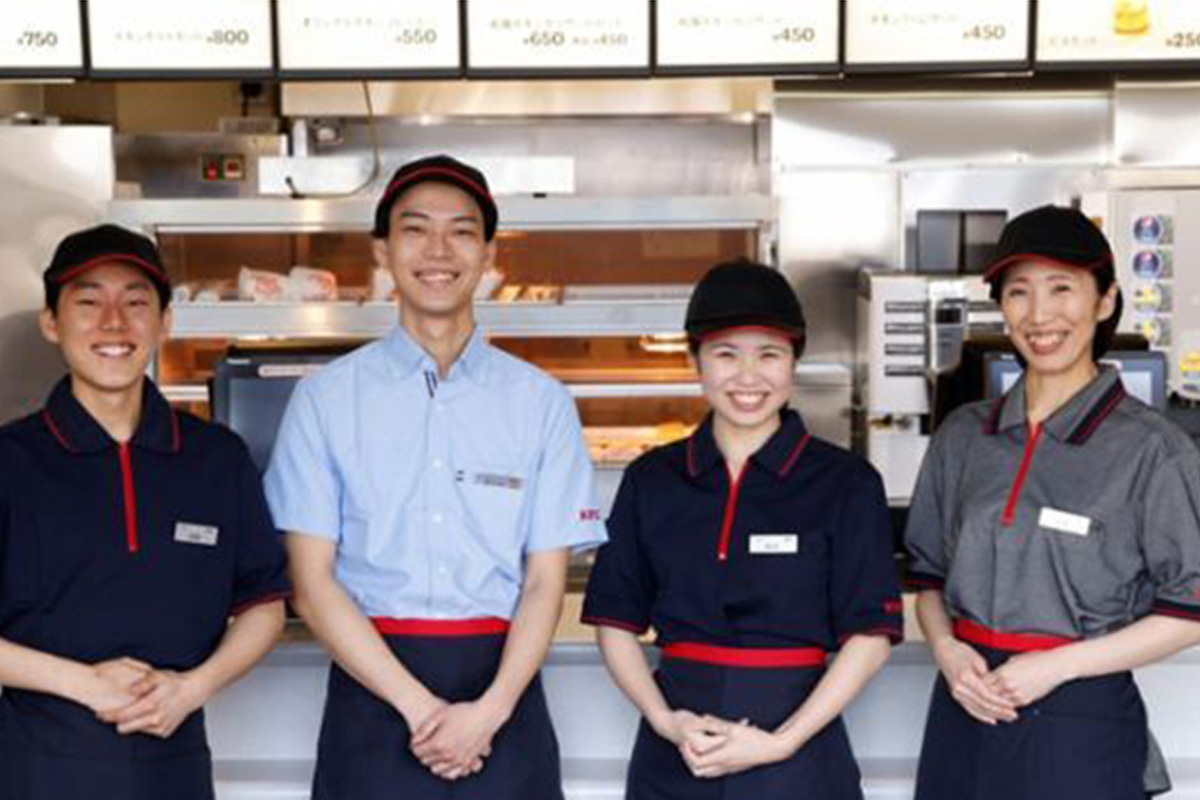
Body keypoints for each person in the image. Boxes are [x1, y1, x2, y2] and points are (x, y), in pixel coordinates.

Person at [265, 154, 605, 800]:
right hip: (372, 694)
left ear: (489, 254)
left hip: (503, 697)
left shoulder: (540, 402)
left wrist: (489, 712)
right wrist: (423, 711)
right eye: (416, 229)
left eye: (462, 231)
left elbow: (544, 583)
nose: (438, 251)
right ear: (383, 250)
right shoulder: (326, 399)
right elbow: (311, 583)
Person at [906, 205, 1200, 800]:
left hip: (1080, 722)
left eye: (1062, 288)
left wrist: (1057, 666)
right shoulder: (963, 436)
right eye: (1019, 292)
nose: (1039, 315)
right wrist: (947, 650)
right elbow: (928, 577)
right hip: (965, 712)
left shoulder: (1153, 449)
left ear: (1105, 301)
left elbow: (1190, 610)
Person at [582, 259, 902, 799]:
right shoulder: (652, 479)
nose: (748, 377)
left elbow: (871, 638)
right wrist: (664, 720)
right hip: (677, 754)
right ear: (695, 361)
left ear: (794, 362)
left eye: (769, 354)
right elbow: (614, 622)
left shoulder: (846, 483)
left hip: (800, 756)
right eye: (726, 354)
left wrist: (781, 742)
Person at [0, 224, 289, 800]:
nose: (114, 323)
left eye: (135, 303)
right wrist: (86, 684)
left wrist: (192, 688)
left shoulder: (216, 458)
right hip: (37, 766)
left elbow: (265, 605)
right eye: (88, 303)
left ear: (165, 323)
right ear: (51, 322)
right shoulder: (11, 460)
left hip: (175, 764)